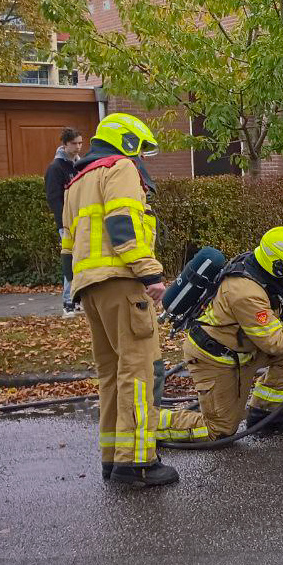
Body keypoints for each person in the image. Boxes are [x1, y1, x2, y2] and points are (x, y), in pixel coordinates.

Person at [61, 113, 172, 488]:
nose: (141, 158)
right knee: (139, 372)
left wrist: (77, 283)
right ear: (126, 143)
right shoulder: (120, 167)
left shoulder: (77, 180)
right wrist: (150, 274)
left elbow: (66, 243)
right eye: (140, 149)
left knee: (110, 374)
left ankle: (112, 457)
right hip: (123, 283)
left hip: (89, 288)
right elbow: (123, 224)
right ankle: (137, 462)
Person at [160, 227, 283, 444]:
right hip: (217, 360)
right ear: (279, 265)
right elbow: (276, 343)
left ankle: (264, 414)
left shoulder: (262, 271)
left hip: (245, 349)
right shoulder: (245, 292)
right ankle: (146, 425)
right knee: (219, 431)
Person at [45, 127, 84, 317]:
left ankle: (77, 301)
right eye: (74, 143)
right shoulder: (56, 168)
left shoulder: (80, 166)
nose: (78, 147)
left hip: (82, 221)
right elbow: (54, 198)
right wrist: (63, 223)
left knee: (81, 261)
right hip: (67, 224)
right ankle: (68, 303)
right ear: (65, 144)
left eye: (80, 143)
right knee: (70, 262)